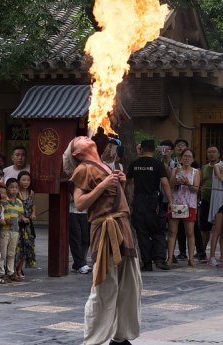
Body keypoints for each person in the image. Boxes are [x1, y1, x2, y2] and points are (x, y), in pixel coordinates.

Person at [63, 136, 140, 345]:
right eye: (77, 140)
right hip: (105, 229)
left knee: (130, 285)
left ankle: (120, 337)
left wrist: (120, 184)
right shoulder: (83, 169)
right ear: (76, 153)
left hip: (122, 225)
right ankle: (93, 341)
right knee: (105, 286)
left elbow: (110, 197)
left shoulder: (106, 165)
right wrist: (104, 184)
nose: (82, 137)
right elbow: (79, 204)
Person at [126, 139, 172, 271]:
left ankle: (147, 263)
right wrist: (170, 201)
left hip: (139, 201)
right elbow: (164, 183)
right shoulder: (157, 164)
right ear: (153, 149)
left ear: (142, 149)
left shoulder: (135, 164)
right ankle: (159, 260)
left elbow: (126, 181)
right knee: (158, 231)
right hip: (154, 202)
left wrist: (125, 199)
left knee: (142, 232)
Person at [166, 149, 200, 267]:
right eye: (185, 156)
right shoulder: (175, 169)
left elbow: (195, 189)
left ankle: (191, 258)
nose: (187, 158)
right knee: (172, 231)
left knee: (189, 232)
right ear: (181, 158)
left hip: (189, 204)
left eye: (189, 156)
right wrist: (175, 179)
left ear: (193, 159)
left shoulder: (195, 172)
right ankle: (170, 257)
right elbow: (170, 186)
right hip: (176, 203)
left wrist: (188, 183)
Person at [0, 178, 24, 281]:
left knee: (11, 252)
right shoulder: (3, 201)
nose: (14, 189)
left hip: (15, 230)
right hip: (5, 230)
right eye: (11, 187)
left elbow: (20, 215)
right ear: (7, 188)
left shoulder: (19, 202)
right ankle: (1, 272)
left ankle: (10, 272)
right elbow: (1, 214)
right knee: (2, 252)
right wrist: (6, 219)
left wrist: (23, 218)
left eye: (16, 187)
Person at [198, 146, 219, 264]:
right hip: (205, 200)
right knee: (204, 228)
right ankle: (202, 251)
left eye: (214, 152)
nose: (211, 154)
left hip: (218, 201)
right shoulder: (204, 168)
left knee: (218, 229)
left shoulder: (221, 167)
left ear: (218, 154)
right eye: (209, 152)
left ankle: (217, 253)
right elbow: (200, 184)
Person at [14, 171, 36, 280]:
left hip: (28, 225)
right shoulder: (16, 192)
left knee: (25, 248)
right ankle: (14, 270)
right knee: (17, 247)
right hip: (18, 224)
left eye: (28, 180)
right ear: (19, 181)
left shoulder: (30, 192)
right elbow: (14, 207)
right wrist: (21, 217)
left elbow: (33, 204)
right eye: (23, 180)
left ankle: (19, 269)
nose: (26, 182)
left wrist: (33, 213)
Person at [207, 149, 223, 266]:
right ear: (222, 155)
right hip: (219, 200)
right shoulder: (217, 166)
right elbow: (222, 179)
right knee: (217, 230)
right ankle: (212, 256)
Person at [69, 189, 91, 275]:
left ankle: (78, 264)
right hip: (72, 211)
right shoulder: (71, 182)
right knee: (76, 238)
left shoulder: (88, 181)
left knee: (86, 238)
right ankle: (81, 264)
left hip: (86, 211)